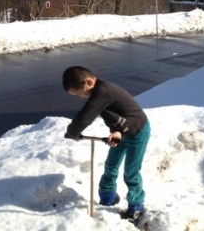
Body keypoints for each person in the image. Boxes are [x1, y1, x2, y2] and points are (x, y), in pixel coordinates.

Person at [62, 66, 150, 220]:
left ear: (88, 82)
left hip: (137, 131)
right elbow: (111, 115)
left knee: (131, 171)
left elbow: (85, 116)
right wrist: (117, 131)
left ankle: (136, 205)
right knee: (111, 165)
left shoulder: (104, 91)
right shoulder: (98, 92)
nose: (81, 97)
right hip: (120, 131)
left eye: (80, 93)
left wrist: (72, 132)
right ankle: (108, 196)